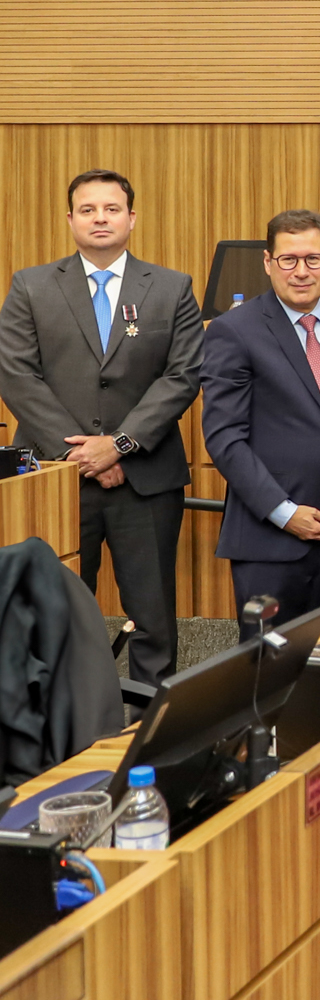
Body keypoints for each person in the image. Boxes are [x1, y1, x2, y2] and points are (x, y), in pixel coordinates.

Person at [0, 170, 202, 685]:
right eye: (87, 210)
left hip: (146, 479)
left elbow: (181, 377)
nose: (100, 218)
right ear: (70, 220)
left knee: (153, 618)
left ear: (132, 218)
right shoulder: (31, 285)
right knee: (54, 612)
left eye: (111, 209)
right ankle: (62, 734)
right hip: (56, 479)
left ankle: (149, 742)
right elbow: (17, 376)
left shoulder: (173, 288)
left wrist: (119, 445)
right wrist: (80, 453)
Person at [202, 211, 320, 634]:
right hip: (269, 541)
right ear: (268, 263)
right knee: (266, 676)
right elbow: (224, 439)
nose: (302, 272)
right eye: (288, 260)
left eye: (313, 259)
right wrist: (284, 512)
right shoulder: (234, 331)